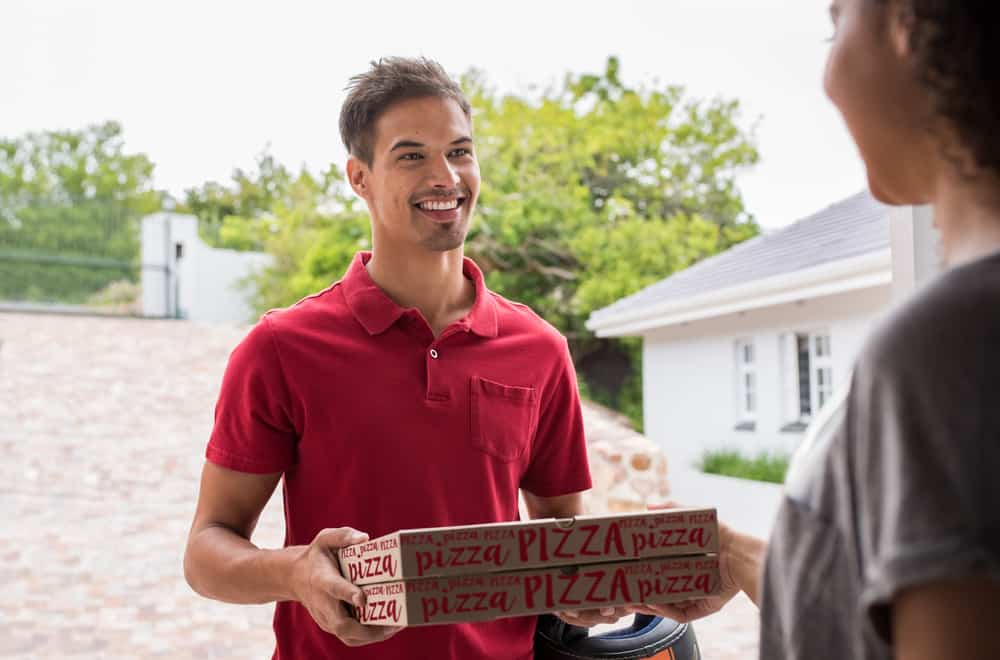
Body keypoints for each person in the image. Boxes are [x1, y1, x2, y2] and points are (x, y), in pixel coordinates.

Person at [182, 57, 599, 659]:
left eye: (460, 151)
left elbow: (561, 536)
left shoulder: (539, 349)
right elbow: (206, 552)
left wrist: (587, 586)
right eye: (412, 155)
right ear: (360, 177)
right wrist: (297, 572)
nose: (446, 176)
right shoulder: (281, 348)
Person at [632, 1, 1000, 658]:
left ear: (908, 28)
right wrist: (738, 558)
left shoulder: (950, 346)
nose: (828, 78)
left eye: (837, 24)